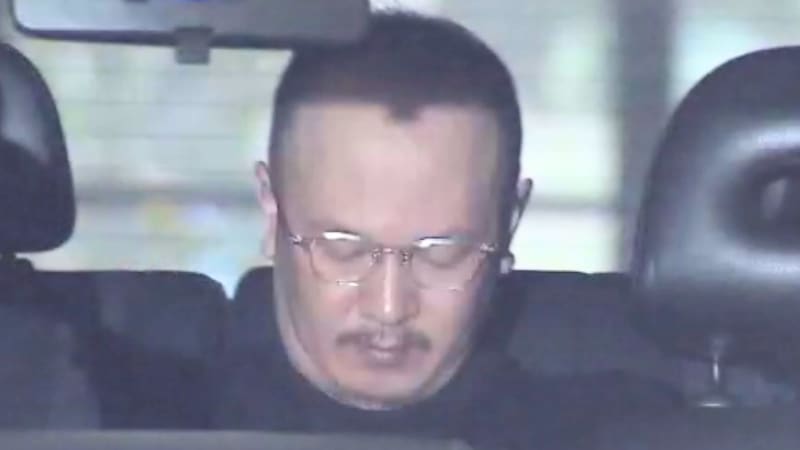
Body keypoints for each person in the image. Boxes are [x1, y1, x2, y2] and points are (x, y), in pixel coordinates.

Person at [216, 10, 678, 449]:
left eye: (441, 253)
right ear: (272, 210)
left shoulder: (625, 434)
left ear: (509, 223)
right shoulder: (178, 414)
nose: (389, 307)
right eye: (344, 248)